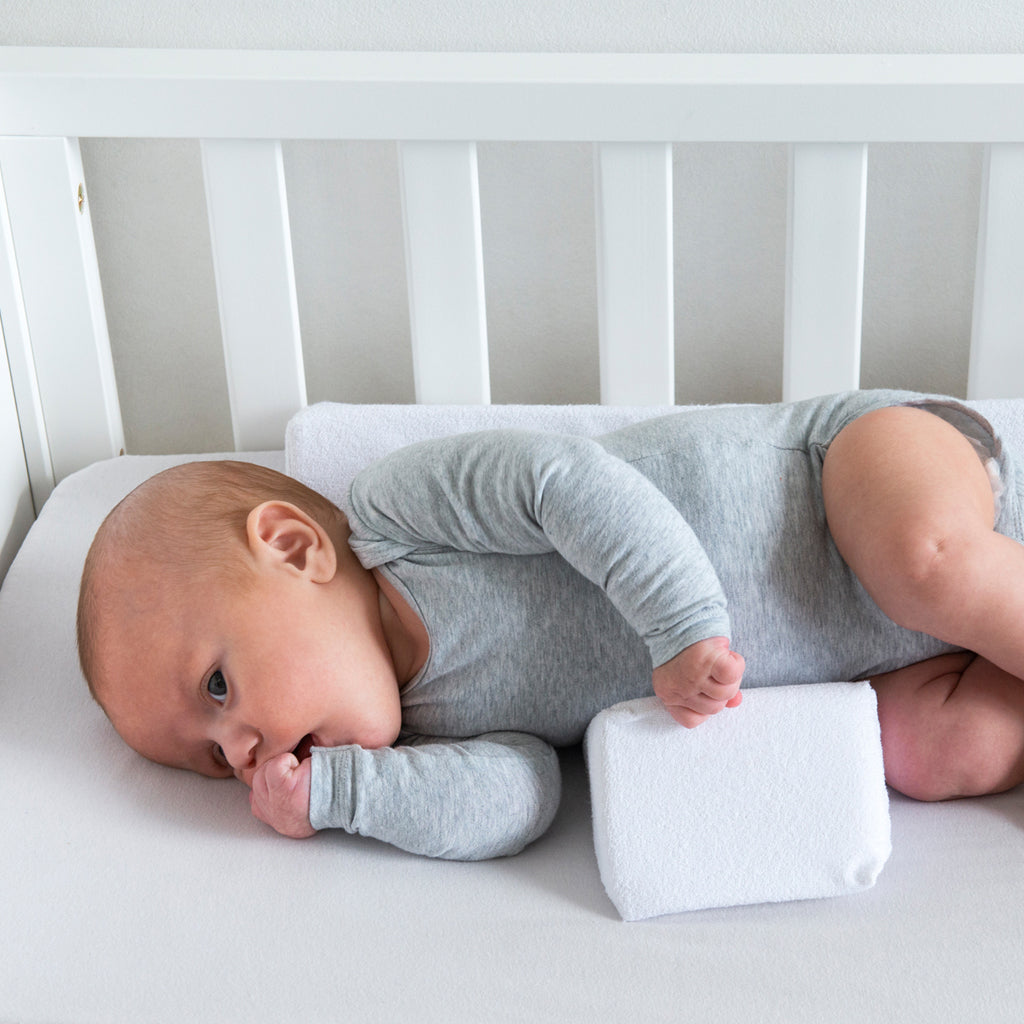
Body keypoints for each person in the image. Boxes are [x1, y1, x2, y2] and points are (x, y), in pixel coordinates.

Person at [76, 390, 1024, 860]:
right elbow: (524, 798)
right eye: (210, 758)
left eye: (216, 688)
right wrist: (348, 796)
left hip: (849, 474)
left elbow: (565, 484)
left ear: (291, 549)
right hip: (888, 656)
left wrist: (681, 625)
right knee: (940, 751)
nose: (240, 748)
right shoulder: (434, 735)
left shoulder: (398, 519)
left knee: (924, 564)